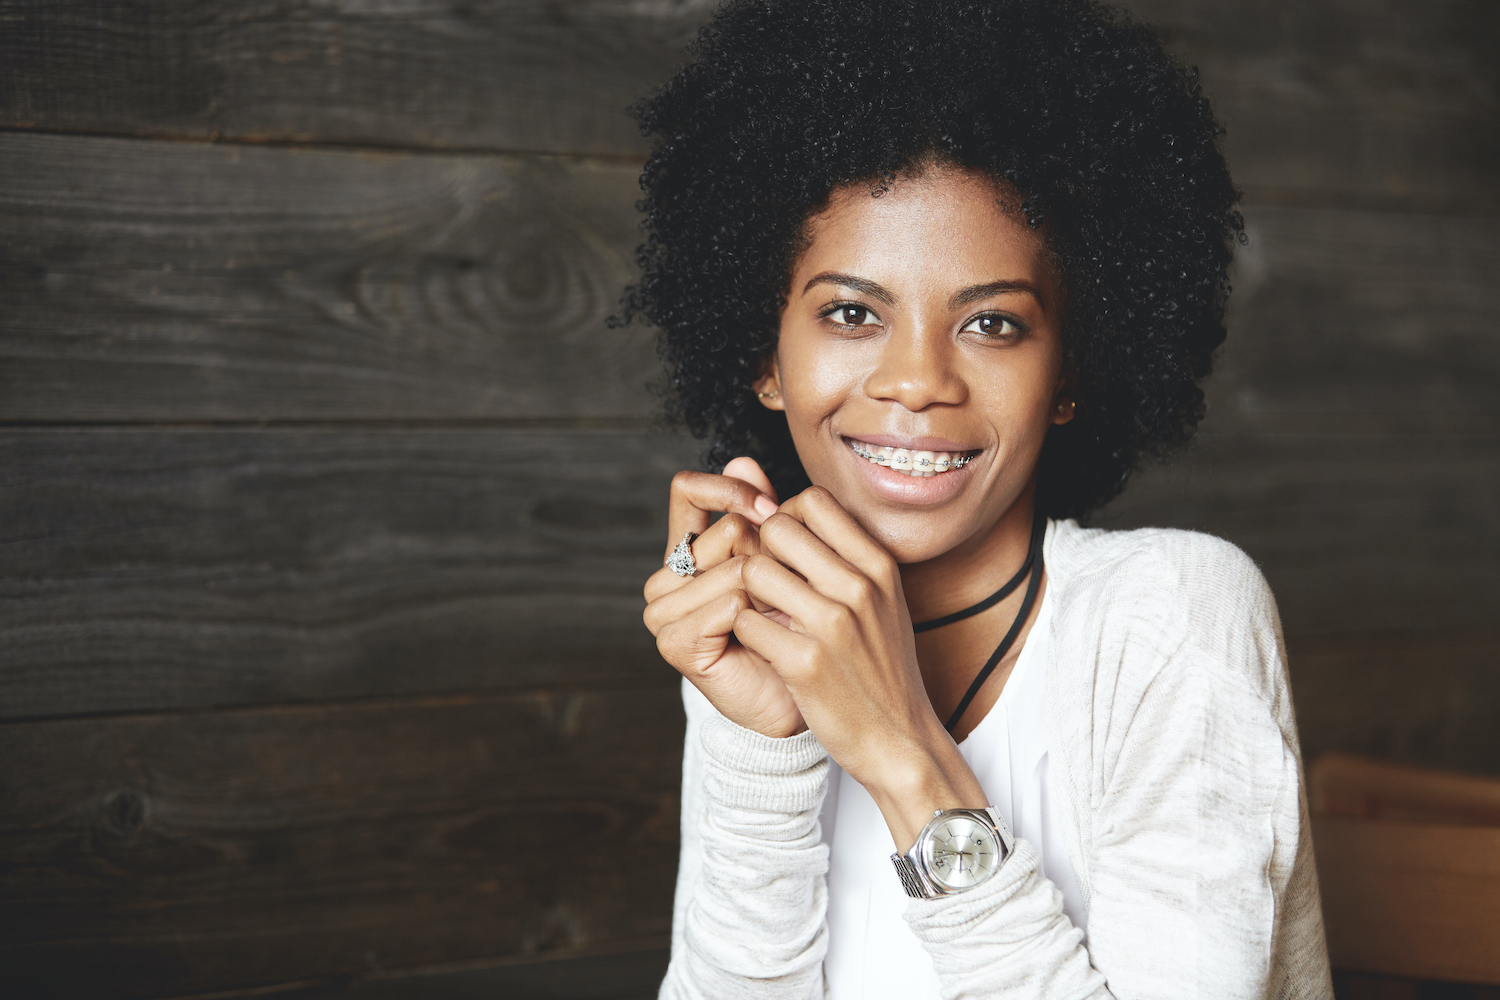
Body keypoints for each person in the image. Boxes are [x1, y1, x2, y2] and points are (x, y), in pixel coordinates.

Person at [627, 1, 1333, 996]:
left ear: (1073, 370)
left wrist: (904, 751)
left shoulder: (1173, 615)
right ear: (763, 355)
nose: (916, 380)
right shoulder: (775, 640)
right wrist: (757, 742)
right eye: (851, 311)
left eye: (993, 323)